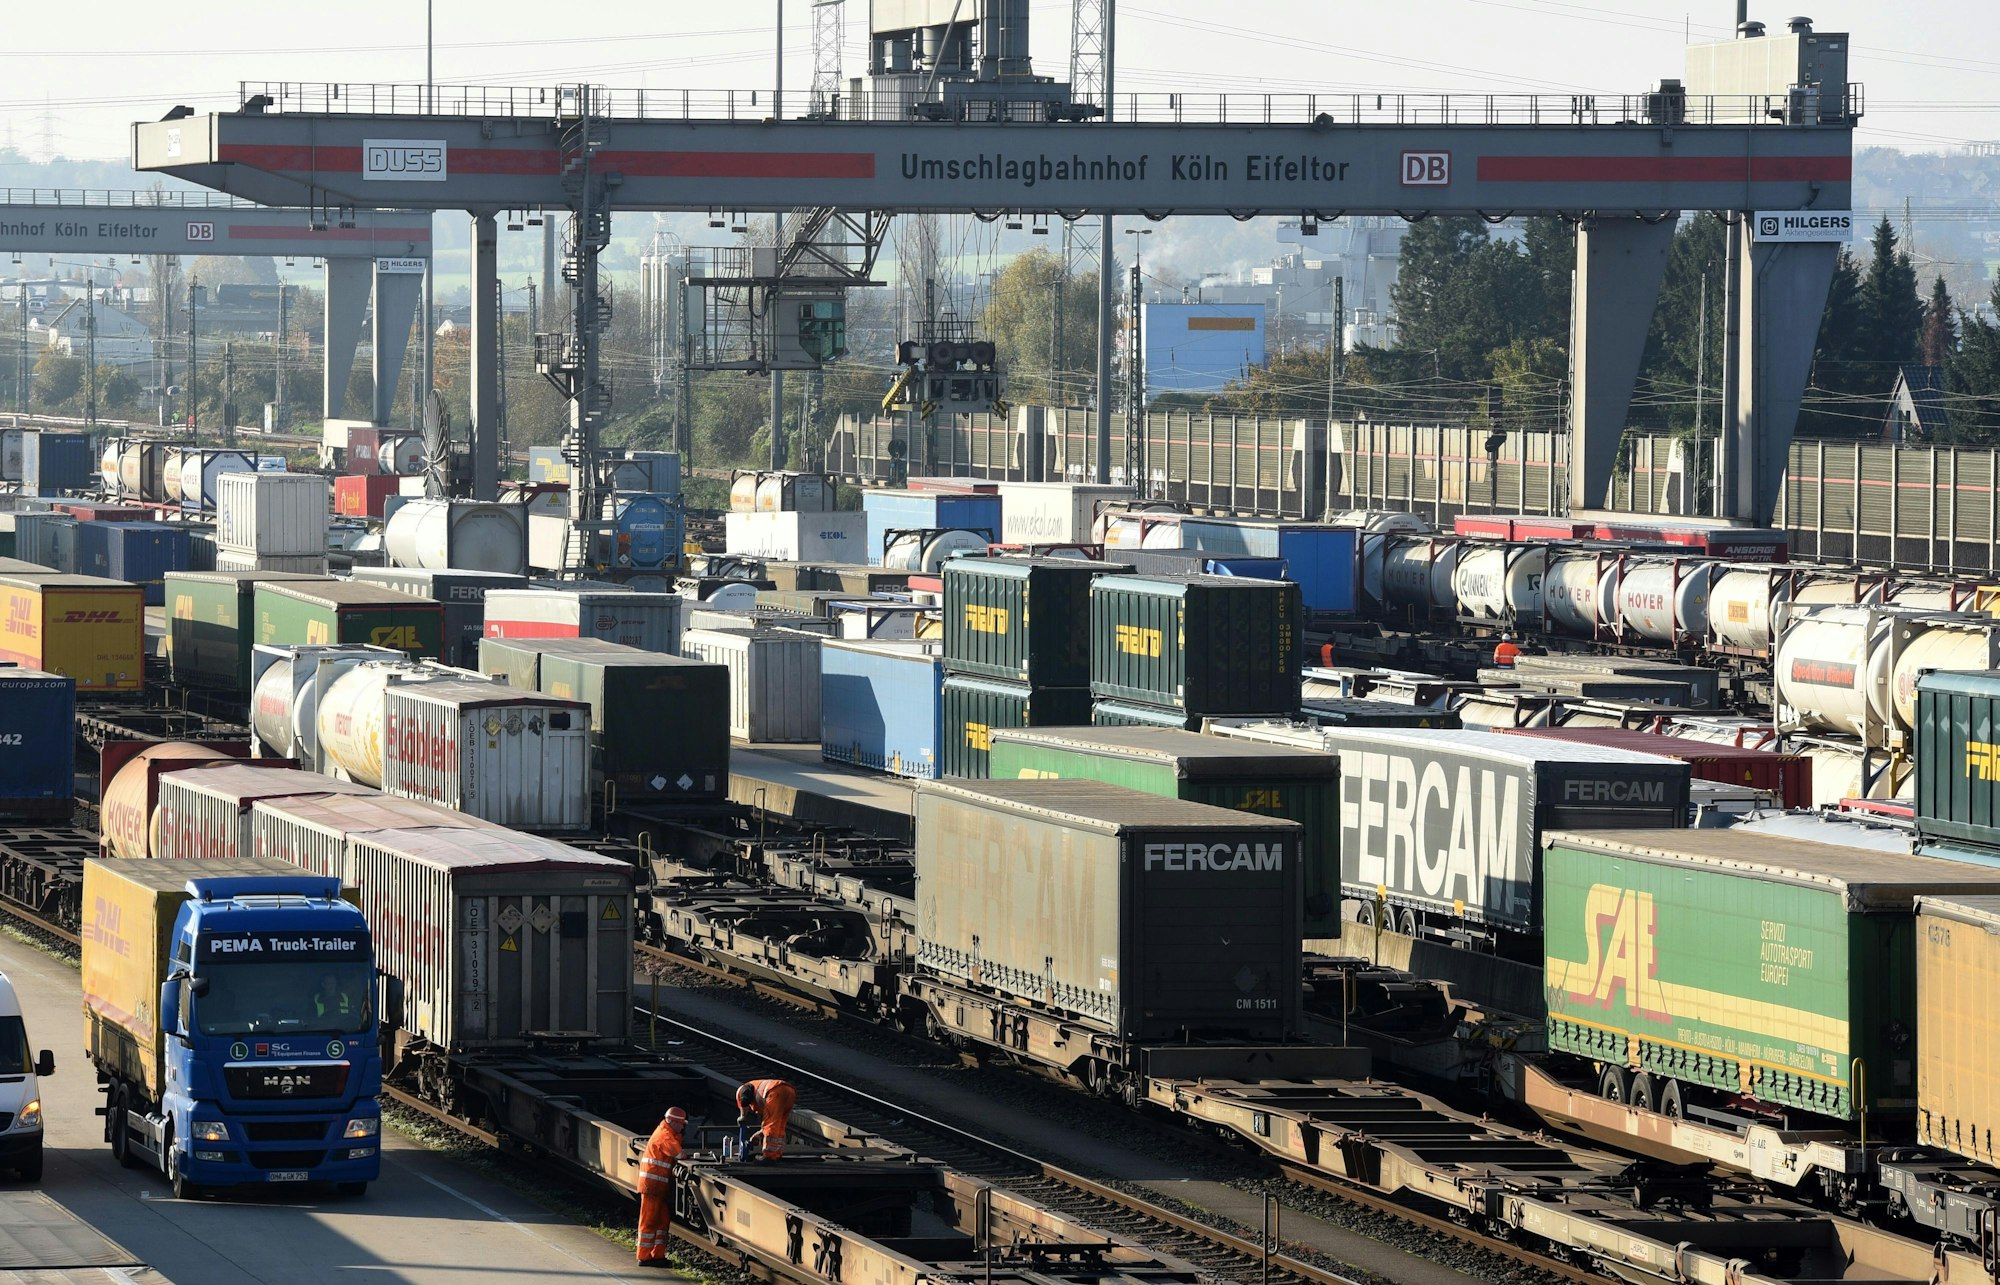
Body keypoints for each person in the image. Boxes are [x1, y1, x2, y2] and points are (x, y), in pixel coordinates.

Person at [636, 1106, 687, 1266]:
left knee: (662, 1220)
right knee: (649, 1220)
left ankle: (657, 1255)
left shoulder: (668, 1133)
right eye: (681, 1124)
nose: (683, 1127)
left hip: (658, 1186)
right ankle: (644, 1257)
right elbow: (679, 1154)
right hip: (652, 1186)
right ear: (672, 1122)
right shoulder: (664, 1136)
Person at [735, 1079, 796, 1160]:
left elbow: (745, 1098)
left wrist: (743, 1116)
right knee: (780, 1125)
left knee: (771, 1125)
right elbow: (772, 1123)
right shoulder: (757, 1088)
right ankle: (777, 1153)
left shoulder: (742, 1090)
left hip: (775, 1092)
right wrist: (759, 1134)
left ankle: (769, 1156)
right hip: (789, 1091)